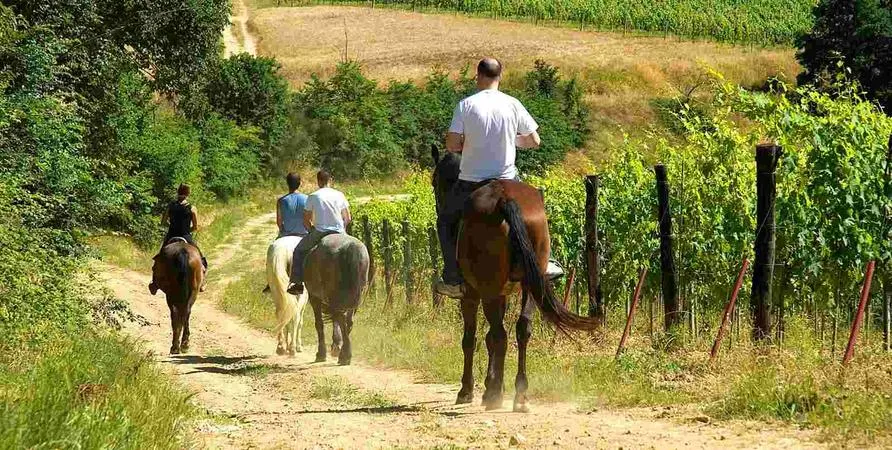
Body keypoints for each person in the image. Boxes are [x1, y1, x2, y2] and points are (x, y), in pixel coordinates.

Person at [435, 58, 562, 299]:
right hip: (508, 178)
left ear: (478, 77)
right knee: (537, 206)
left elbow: (452, 145)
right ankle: (547, 261)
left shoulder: (466, 105)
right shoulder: (513, 104)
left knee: (445, 221)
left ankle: (452, 276)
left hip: (472, 181)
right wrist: (511, 140)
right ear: (499, 77)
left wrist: (467, 144)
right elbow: (535, 141)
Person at [286, 170, 351, 296]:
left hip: (320, 232)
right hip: (339, 231)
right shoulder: (339, 194)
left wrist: (311, 230)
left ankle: (297, 283)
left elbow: (306, 219)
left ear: (318, 181)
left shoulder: (313, 196)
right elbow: (348, 218)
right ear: (330, 180)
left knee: (299, 250)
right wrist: (342, 229)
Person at [149, 184, 208, 295]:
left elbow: (163, 222)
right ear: (188, 193)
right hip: (186, 235)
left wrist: (172, 226)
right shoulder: (192, 208)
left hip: (171, 235)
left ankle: (154, 283)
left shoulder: (170, 206)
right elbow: (195, 227)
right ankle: (202, 282)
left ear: (178, 192)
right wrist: (186, 230)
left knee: (160, 257)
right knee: (200, 258)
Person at [277, 172, 309, 239]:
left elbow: (279, 222)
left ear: (287, 183)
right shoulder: (307, 199)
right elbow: (310, 220)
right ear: (299, 184)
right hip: (304, 234)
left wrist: (282, 231)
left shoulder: (281, 201)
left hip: (286, 234)